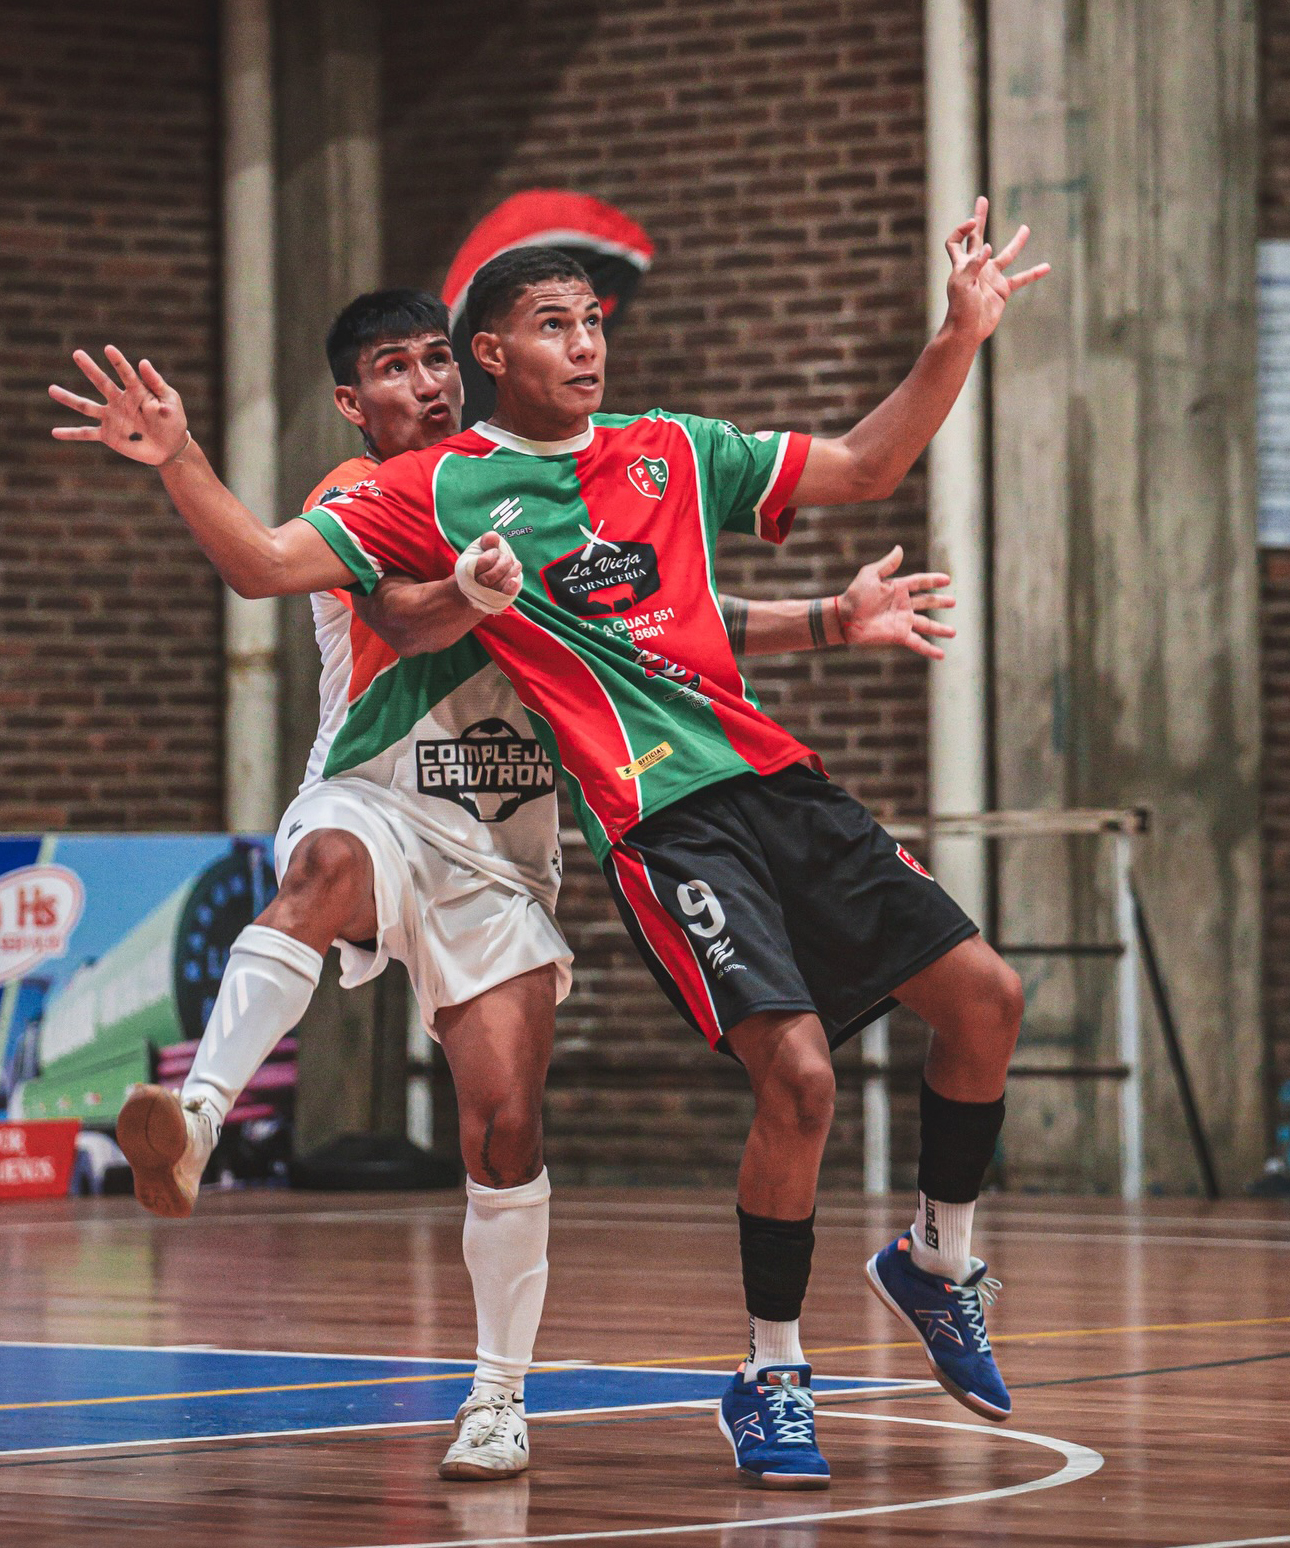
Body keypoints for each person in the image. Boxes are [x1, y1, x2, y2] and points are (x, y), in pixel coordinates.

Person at [49, 291, 956, 1486]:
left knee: (506, 1126)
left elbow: (673, 624)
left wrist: (832, 620)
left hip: (504, 846)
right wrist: (183, 459)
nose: (426, 383)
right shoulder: (362, 496)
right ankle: (201, 1119)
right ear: (350, 402)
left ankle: (495, 1397)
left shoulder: (526, 488)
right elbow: (393, 613)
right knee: (321, 873)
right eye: (394, 367)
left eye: (437, 360)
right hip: (378, 794)